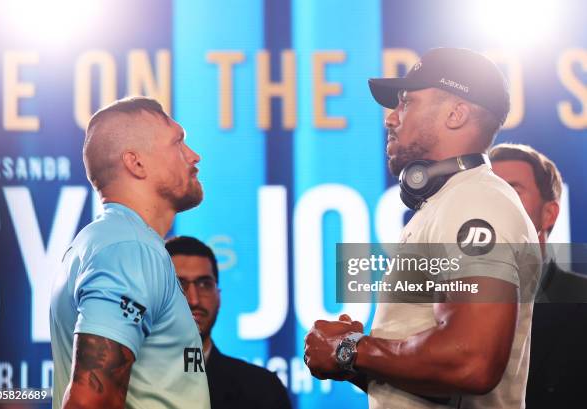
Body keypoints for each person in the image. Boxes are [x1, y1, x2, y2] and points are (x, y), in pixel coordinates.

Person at [304, 47, 541, 408]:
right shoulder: (450, 202)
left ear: (456, 113)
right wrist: (348, 360)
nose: (390, 118)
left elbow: (471, 362)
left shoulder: (475, 201)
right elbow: (433, 384)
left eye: (406, 103)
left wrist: (352, 349)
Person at [50, 97, 210, 409]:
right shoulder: (129, 249)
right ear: (136, 163)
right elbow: (89, 403)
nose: (193, 156)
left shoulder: (108, 242)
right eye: (178, 143)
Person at [490, 143, 587, 408]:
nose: (495, 203)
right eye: (488, 193)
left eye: (513, 190)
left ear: (549, 213)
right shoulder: (444, 301)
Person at [165, 236, 292, 409]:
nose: (194, 300)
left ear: (219, 295)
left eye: (204, 284)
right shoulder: (125, 381)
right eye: (179, 284)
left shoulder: (262, 389)